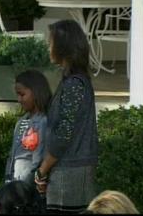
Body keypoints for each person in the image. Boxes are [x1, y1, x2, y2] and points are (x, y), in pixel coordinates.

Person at [34, 19, 99, 214]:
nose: (48, 47)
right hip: (70, 171)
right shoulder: (74, 82)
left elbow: (64, 134)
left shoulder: (74, 85)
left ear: (63, 46)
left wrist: (42, 170)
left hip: (70, 175)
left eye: (50, 42)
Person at [5, 69, 51, 185]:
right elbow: (12, 156)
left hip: (29, 186)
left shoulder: (44, 121)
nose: (19, 100)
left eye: (22, 94)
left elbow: (38, 159)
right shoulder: (21, 122)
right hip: (15, 183)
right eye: (17, 95)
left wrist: (31, 183)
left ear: (36, 92)